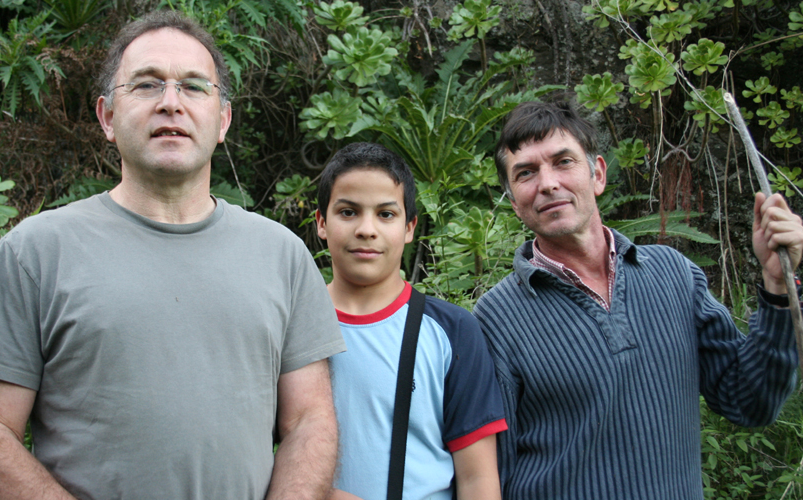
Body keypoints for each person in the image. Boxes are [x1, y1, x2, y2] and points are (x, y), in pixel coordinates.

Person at [0, 11, 345, 500]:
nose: (170, 103)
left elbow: (309, 421)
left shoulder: (282, 256)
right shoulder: (36, 252)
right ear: (107, 117)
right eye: (146, 85)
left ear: (223, 120)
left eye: (194, 87)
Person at [473, 101, 803, 499]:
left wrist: (777, 285)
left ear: (597, 174)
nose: (547, 183)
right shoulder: (496, 317)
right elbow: (491, 473)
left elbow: (751, 402)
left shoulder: (674, 274)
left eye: (563, 162)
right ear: (513, 201)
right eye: (526, 172)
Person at [314, 142, 507, 500]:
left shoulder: (452, 331)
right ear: (322, 223)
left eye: (386, 214)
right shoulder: (292, 326)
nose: (366, 229)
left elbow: (478, 478)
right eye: (348, 212)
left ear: (409, 227)